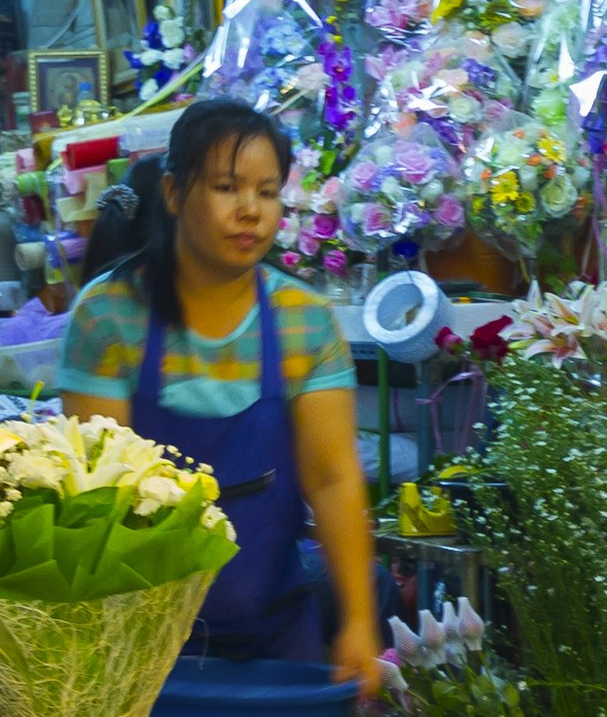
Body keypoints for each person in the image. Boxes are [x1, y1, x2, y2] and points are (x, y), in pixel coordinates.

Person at [59, 98, 379, 684]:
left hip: (278, 634)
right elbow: (94, 495)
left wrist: (359, 620)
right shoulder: (109, 314)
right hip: (140, 645)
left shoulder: (303, 320)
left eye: (268, 191)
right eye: (227, 188)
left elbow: (333, 479)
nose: (251, 212)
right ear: (176, 194)